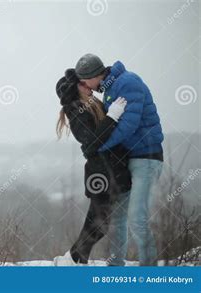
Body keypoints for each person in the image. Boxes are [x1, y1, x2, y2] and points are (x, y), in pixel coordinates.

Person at [75, 54, 164, 266]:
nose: (84, 85)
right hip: (128, 160)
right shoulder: (109, 90)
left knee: (136, 217)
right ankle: (115, 267)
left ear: (94, 76)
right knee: (118, 217)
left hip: (146, 157)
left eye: (84, 81)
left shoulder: (128, 83)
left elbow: (128, 125)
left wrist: (98, 147)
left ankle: (150, 270)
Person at [53, 69, 131, 266]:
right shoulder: (74, 110)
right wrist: (112, 116)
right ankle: (72, 259)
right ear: (75, 89)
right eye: (82, 84)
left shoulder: (92, 104)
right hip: (100, 173)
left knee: (100, 223)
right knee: (100, 223)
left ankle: (74, 259)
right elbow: (90, 140)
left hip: (109, 170)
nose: (88, 86)